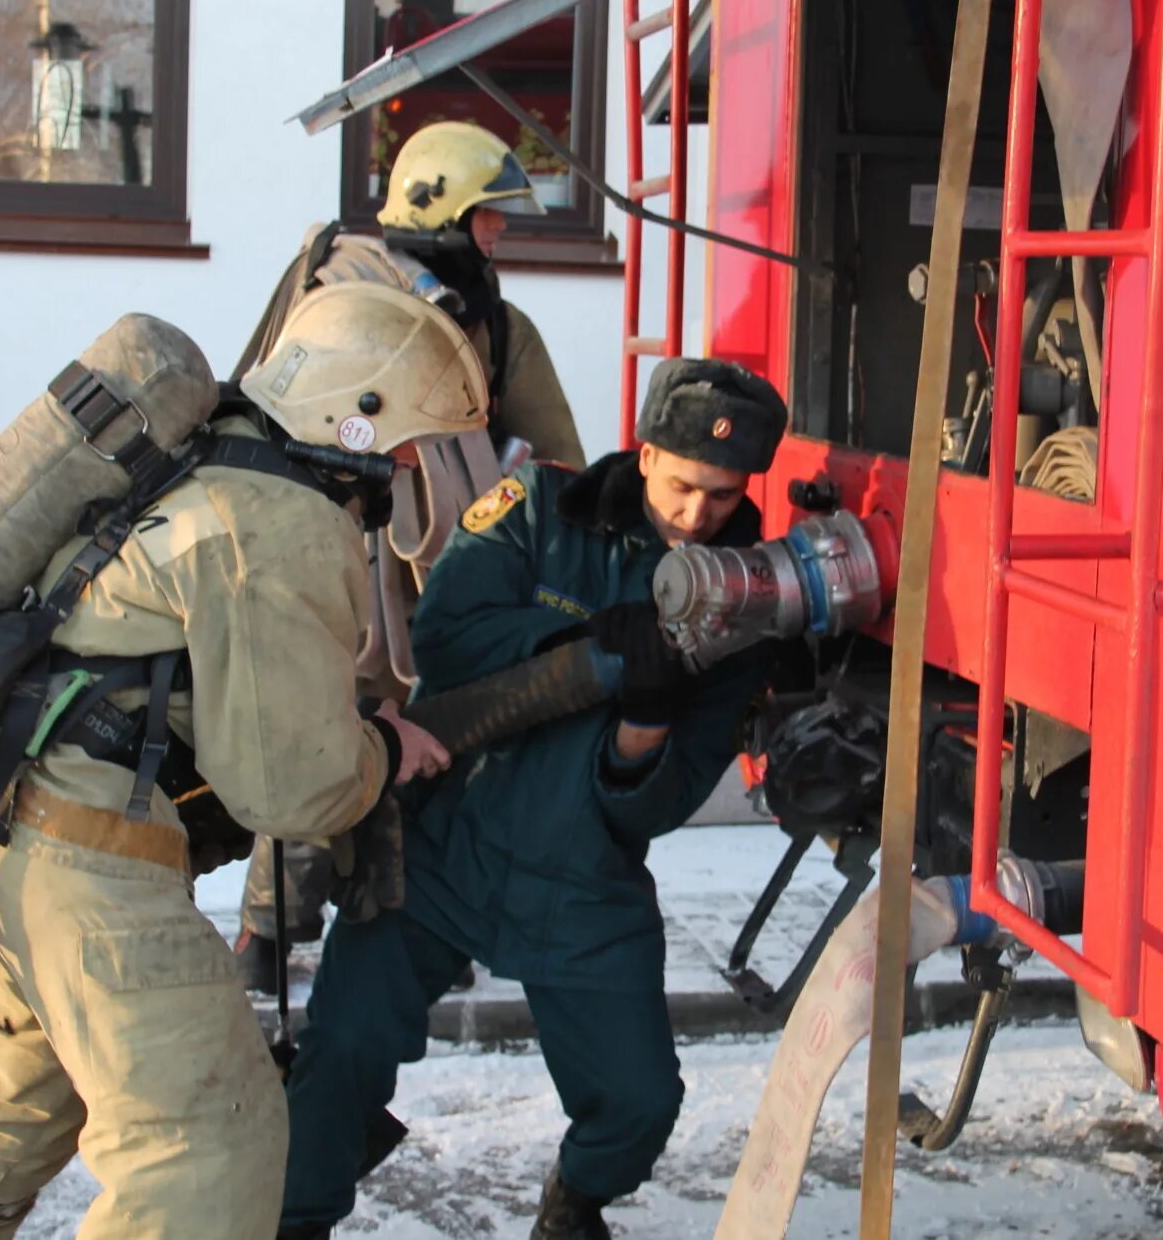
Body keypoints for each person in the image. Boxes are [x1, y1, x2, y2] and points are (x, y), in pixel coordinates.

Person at [0, 283, 472, 1239]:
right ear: (356, 416)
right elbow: (291, 786)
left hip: (1, 825)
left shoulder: (207, 459)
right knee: (205, 1148)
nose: (406, 465)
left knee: (14, 1097)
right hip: (90, 869)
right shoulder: (283, 519)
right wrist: (381, 750)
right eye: (407, 440)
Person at [277, 359, 789, 1240]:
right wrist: (582, 638)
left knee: (639, 1099)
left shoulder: (743, 608)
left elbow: (649, 810)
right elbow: (445, 632)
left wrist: (646, 724)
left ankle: (574, 1201)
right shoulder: (543, 508)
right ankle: (294, 1220)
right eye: (682, 485)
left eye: (722, 494)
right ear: (644, 450)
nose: (698, 514)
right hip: (445, 845)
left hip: (579, 877)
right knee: (341, 1051)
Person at [234, 120, 587, 991]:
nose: (500, 236)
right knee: (315, 742)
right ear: (445, 214)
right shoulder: (337, 305)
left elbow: (556, 464)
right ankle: (268, 932)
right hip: (331, 563)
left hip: (445, 581)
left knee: (430, 753)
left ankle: (415, 923)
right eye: (489, 218)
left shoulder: (500, 329)